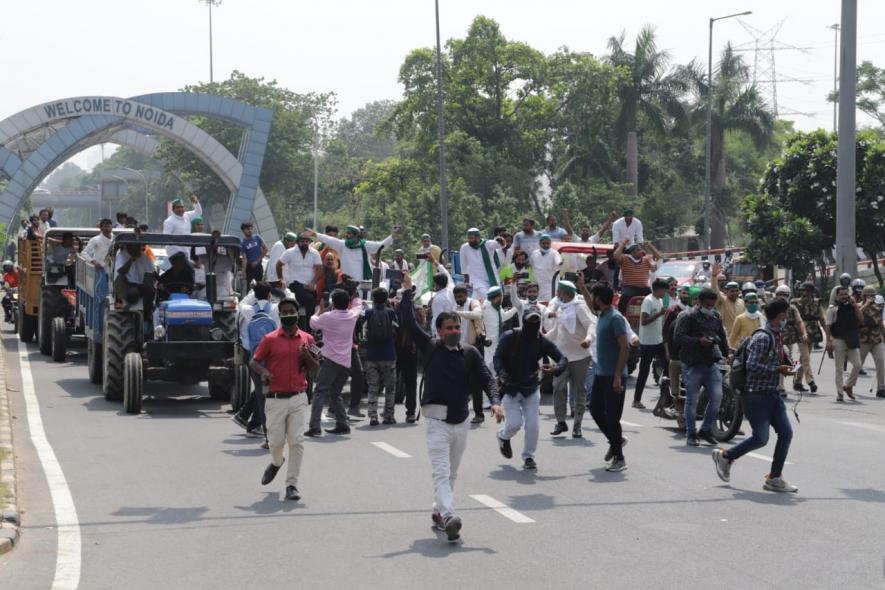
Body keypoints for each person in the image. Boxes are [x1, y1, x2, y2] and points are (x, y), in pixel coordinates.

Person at [399, 272, 503, 543]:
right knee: (441, 472)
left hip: (461, 421)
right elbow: (409, 322)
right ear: (439, 331)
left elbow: (486, 378)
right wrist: (408, 291)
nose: (455, 332)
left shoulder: (470, 352)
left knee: (452, 472)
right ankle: (448, 517)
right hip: (436, 422)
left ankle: (438, 511)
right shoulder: (430, 346)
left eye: (457, 328)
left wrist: (495, 401)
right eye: (449, 328)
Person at [712, 298, 798, 493]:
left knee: (786, 433)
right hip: (756, 396)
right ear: (780, 315)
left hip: (772, 394)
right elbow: (752, 365)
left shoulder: (777, 336)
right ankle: (726, 457)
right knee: (760, 438)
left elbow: (777, 360)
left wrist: (789, 366)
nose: (787, 318)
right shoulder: (763, 337)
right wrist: (778, 369)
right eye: (786, 314)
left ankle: (775, 478)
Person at [251, 297, 318, 501]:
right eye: (285, 312)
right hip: (275, 398)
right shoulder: (269, 339)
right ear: (279, 315)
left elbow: (316, 368)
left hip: (298, 397)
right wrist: (263, 372)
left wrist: (306, 355)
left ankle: (292, 485)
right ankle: (276, 462)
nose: (288, 315)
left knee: (297, 441)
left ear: (298, 315)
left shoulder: (308, 339)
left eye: (292, 311)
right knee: (276, 441)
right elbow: (254, 361)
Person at [495, 308, 567, 469]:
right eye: (530, 320)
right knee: (514, 424)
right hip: (510, 388)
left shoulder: (542, 341)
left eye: (536, 320)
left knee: (533, 425)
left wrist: (555, 370)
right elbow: (497, 357)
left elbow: (562, 359)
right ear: (524, 320)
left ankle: (528, 457)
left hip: (531, 389)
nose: (533, 323)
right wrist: (502, 373)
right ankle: (503, 436)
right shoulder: (509, 337)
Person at [675, 288, 730, 446]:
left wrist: (727, 353)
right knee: (692, 401)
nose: (710, 308)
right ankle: (691, 433)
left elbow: (722, 336)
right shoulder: (687, 316)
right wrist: (699, 341)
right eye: (707, 305)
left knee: (717, 397)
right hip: (692, 364)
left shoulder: (715, 316)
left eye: (712, 305)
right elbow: (678, 337)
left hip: (711, 363)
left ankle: (705, 430)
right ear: (699, 301)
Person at [306, 288, 364, 436]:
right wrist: (355, 294)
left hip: (330, 361)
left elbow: (312, 323)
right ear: (347, 303)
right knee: (335, 393)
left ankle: (315, 426)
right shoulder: (352, 315)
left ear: (333, 303)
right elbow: (359, 305)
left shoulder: (327, 316)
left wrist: (319, 310)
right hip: (345, 362)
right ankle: (342, 423)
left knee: (319, 392)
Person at [586, 283, 630, 471]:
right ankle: (616, 440)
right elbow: (590, 305)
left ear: (599, 298)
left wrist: (618, 375)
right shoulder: (602, 315)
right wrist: (582, 286)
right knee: (595, 410)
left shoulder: (615, 318)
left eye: (594, 296)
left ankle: (619, 458)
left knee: (612, 417)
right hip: (601, 373)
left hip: (614, 375)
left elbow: (625, 347)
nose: (592, 300)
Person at [545, 280, 592, 437]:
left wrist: (588, 339)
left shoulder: (579, 306)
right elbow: (556, 331)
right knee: (558, 388)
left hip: (580, 356)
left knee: (580, 390)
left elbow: (591, 324)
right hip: (562, 358)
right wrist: (542, 339)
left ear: (565, 293)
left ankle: (577, 425)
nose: (557, 294)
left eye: (559, 291)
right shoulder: (561, 307)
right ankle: (561, 422)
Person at [233, 282, 280, 440]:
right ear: (269, 295)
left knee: (261, 389)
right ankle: (266, 432)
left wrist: (253, 292)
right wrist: (284, 288)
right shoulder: (276, 308)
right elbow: (291, 300)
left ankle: (246, 418)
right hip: (272, 356)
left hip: (252, 355)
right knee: (264, 393)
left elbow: (241, 304)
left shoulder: (246, 309)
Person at [309, 225, 397, 282]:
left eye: (349, 233)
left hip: (361, 282)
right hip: (346, 282)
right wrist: (315, 234)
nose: (346, 235)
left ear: (355, 235)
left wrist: (392, 236)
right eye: (346, 233)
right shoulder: (342, 245)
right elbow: (329, 239)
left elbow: (380, 246)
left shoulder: (365, 245)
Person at [632, 279, 670, 410]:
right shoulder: (648, 301)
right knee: (644, 371)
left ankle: (665, 397)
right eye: (664, 290)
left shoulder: (659, 301)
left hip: (658, 340)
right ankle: (636, 400)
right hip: (648, 342)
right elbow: (644, 321)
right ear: (657, 289)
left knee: (668, 365)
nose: (665, 293)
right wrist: (659, 313)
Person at [365, 287, 399, 426]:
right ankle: (388, 416)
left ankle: (373, 416)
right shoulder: (391, 313)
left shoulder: (368, 312)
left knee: (373, 386)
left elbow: (363, 330)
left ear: (373, 299)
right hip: (388, 354)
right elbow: (397, 328)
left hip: (372, 355)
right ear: (386, 299)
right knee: (390, 388)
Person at [453, 285, 486, 423]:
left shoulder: (473, 303)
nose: (458, 299)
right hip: (461, 349)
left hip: (475, 347)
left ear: (466, 295)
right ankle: (460, 411)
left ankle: (479, 414)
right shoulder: (457, 307)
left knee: (476, 382)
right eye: (456, 297)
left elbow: (478, 314)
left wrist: (459, 314)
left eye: (460, 297)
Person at [826, 286, 863, 401]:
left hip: (852, 339)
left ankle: (848, 386)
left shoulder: (853, 307)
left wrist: (855, 306)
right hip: (838, 339)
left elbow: (861, 319)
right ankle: (840, 393)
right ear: (837, 296)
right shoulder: (832, 309)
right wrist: (828, 340)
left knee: (857, 365)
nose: (844, 296)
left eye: (846, 294)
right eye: (841, 294)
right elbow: (828, 326)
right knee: (839, 369)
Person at [277, 234, 322, 328]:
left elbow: (319, 269)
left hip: (309, 286)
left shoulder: (314, 253)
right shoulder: (290, 252)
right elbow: (278, 265)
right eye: (302, 241)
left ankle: (310, 329)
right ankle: (305, 328)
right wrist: (281, 279)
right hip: (295, 285)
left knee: (313, 300)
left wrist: (313, 282)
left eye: (306, 241)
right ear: (298, 242)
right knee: (309, 299)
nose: (304, 243)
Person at [791, 282, 825, 393]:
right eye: (801, 290)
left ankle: (797, 381)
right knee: (806, 358)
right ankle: (811, 381)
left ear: (810, 292)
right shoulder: (795, 303)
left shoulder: (817, 303)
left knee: (802, 359)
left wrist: (829, 336)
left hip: (813, 332)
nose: (802, 292)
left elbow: (822, 319)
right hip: (800, 332)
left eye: (804, 290)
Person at [474, 286, 517, 372]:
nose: (502, 298)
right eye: (501, 296)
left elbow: (503, 317)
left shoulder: (498, 307)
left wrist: (516, 308)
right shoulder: (484, 307)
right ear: (497, 297)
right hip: (488, 343)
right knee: (486, 366)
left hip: (498, 341)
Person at [774, 285, 807, 392]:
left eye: (785, 294)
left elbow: (799, 321)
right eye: (780, 294)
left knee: (786, 361)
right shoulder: (770, 306)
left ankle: (781, 385)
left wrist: (804, 333)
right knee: (778, 361)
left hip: (788, 340)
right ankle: (779, 386)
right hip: (772, 339)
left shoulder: (792, 308)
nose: (782, 297)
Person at [613, 240, 659, 314]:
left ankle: (654, 314)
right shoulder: (625, 259)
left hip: (644, 288)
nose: (640, 251)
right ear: (632, 252)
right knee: (625, 296)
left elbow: (658, 256)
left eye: (640, 250)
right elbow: (616, 255)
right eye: (638, 250)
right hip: (630, 287)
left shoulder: (647, 259)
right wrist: (623, 243)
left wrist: (650, 245)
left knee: (653, 298)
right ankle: (621, 315)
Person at [113, 243, 156, 321]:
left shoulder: (143, 256)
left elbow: (151, 271)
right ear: (129, 246)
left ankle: (148, 316)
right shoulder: (121, 255)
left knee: (150, 291)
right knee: (133, 293)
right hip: (126, 285)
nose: (140, 248)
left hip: (140, 284)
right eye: (137, 246)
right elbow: (121, 271)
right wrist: (131, 260)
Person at [458, 228, 503, 301]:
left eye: (471, 238)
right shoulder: (464, 247)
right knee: (488, 298)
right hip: (477, 280)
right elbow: (463, 265)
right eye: (468, 238)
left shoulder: (487, 244)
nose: (469, 240)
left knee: (494, 299)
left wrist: (500, 240)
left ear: (478, 237)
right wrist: (466, 279)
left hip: (492, 278)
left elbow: (500, 245)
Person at [857, 285, 885, 398]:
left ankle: (881, 388)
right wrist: (867, 304)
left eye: (873, 295)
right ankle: (849, 384)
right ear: (863, 296)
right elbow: (857, 316)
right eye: (869, 295)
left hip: (876, 339)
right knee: (857, 365)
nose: (871, 297)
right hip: (863, 339)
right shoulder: (858, 306)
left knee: (881, 363)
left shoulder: (878, 307)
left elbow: (880, 323)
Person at [710, 262, 746, 341]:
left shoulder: (741, 302)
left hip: (740, 337)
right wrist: (714, 276)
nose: (734, 293)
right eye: (732, 291)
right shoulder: (722, 300)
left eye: (736, 291)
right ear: (726, 291)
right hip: (726, 337)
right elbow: (715, 290)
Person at [162, 194, 202, 258]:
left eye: (182, 207)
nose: (180, 209)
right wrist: (174, 253)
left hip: (187, 254)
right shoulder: (169, 221)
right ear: (173, 209)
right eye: (178, 207)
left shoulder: (187, 216)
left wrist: (196, 202)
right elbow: (166, 239)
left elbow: (198, 212)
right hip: (176, 254)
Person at [529, 234, 562, 302]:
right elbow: (530, 266)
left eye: (548, 243)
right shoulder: (534, 253)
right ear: (540, 243)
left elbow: (558, 262)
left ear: (550, 243)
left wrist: (560, 263)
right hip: (537, 286)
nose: (546, 245)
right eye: (544, 243)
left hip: (550, 286)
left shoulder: (554, 253)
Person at [240, 222, 268, 288]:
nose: (250, 230)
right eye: (247, 229)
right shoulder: (242, 243)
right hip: (249, 267)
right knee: (249, 286)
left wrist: (257, 261)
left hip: (258, 266)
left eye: (251, 229)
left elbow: (266, 249)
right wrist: (243, 271)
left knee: (260, 285)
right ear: (243, 230)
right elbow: (244, 258)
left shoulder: (257, 237)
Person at [429, 267, 456, 337]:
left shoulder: (438, 299)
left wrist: (436, 335)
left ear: (436, 284)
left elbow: (437, 319)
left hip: (443, 333)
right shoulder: (451, 291)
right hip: (453, 326)